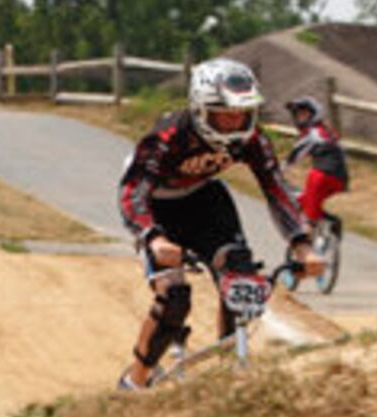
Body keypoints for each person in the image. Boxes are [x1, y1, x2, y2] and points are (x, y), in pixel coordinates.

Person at [116, 58, 323, 391]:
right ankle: (135, 380)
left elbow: (276, 187)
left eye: (242, 112)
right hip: (156, 207)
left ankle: (229, 372)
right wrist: (152, 237)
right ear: (200, 109)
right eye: (223, 113)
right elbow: (131, 191)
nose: (234, 121)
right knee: (175, 297)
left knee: (239, 274)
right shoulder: (168, 136)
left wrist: (302, 244)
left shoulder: (251, 138)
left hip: (205, 201)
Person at [282, 96, 350, 225]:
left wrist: (277, 170)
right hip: (339, 178)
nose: (300, 118)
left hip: (323, 175)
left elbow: (295, 155)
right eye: (297, 114)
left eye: (304, 114)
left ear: (314, 114)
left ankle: (307, 241)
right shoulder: (324, 129)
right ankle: (332, 225)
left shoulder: (313, 133)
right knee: (305, 202)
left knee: (308, 214)